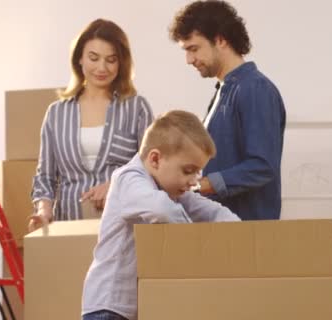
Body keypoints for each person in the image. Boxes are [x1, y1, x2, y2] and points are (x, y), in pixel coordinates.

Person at [81, 110, 240, 320]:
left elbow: (213, 211)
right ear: (155, 159)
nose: (194, 181)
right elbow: (161, 210)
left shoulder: (169, 188)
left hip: (133, 309)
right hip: (108, 306)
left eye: (198, 173)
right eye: (188, 170)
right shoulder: (128, 179)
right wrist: (194, 239)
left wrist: (237, 234)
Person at [29, 19, 153, 231]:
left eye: (111, 60)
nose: (101, 68)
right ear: (79, 59)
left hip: (123, 226)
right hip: (69, 226)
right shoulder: (56, 113)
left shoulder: (136, 108)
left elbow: (151, 167)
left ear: (121, 63)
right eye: (93, 58)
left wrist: (116, 184)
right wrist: (43, 211)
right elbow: (45, 177)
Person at [169, 0, 286, 220]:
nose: (189, 60)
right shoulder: (224, 91)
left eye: (194, 49)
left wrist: (201, 185)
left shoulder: (255, 89)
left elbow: (262, 166)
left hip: (246, 231)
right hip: (224, 228)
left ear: (221, 40)